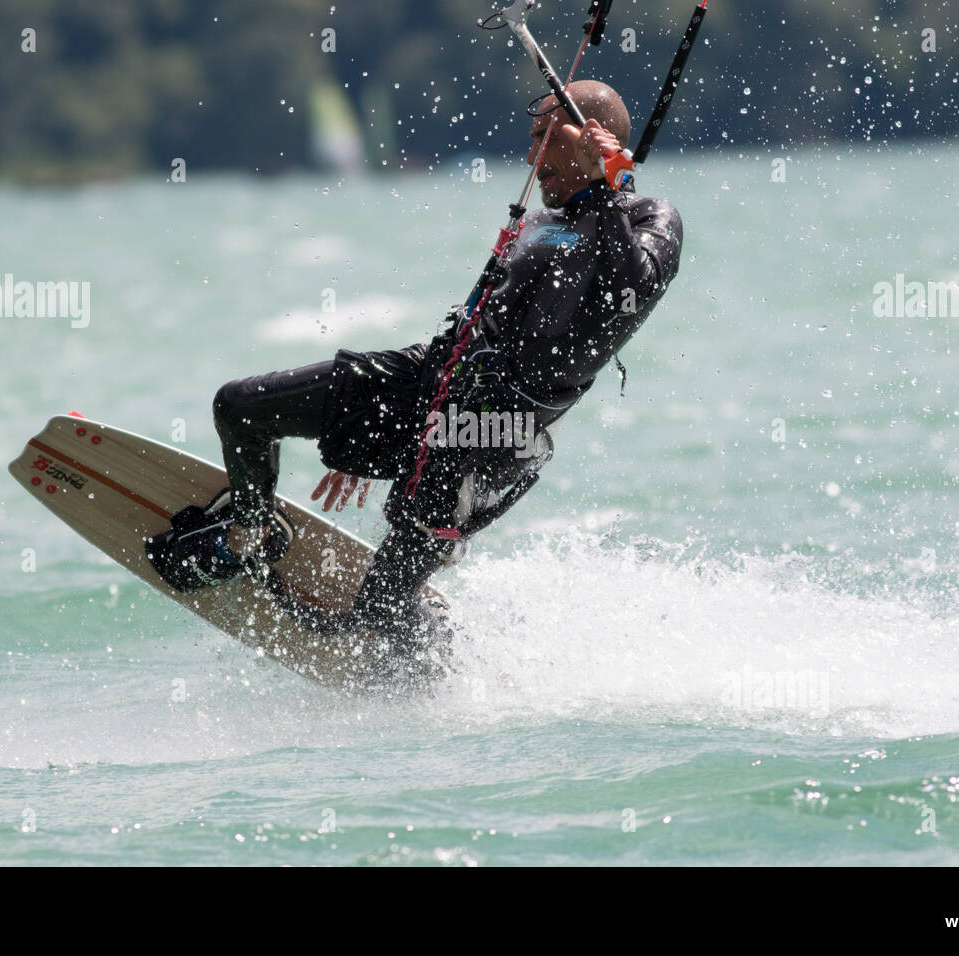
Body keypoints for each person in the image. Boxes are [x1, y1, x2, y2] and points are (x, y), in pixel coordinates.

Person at [147, 80, 683, 678]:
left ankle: (456, 678)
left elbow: (628, 294)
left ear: (591, 136)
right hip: (429, 384)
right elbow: (471, 329)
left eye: (546, 137)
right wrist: (364, 433)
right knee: (241, 406)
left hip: (491, 438)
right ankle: (250, 531)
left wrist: (609, 186)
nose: (532, 153)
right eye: (531, 137)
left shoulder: (648, 218)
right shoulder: (539, 221)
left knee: (381, 610)